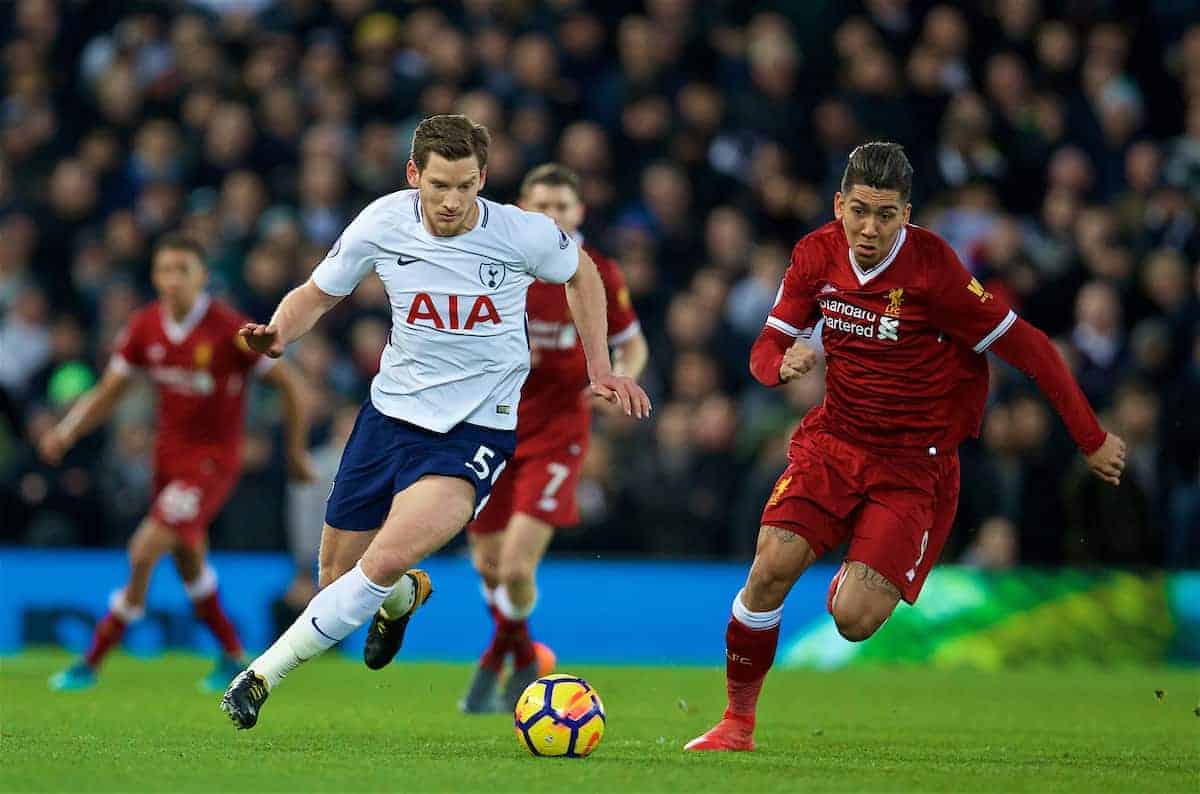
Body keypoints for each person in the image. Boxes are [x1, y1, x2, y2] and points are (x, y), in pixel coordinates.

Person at [685, 142, 1126, 752]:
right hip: (834, 443)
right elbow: (765, 346)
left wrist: (1091, 437)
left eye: (886, 214)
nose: (869, 228)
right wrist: (779, 364)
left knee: (854, 621)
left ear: (907, 214)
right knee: (770, 567)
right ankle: (737, 723)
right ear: (840, 204)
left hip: (913, 467)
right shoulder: (815, 254)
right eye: (859, 210)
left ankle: (857, 569)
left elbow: (1029, 347)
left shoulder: (934, 270)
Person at [220, 115, 650, 730]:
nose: (452, 202)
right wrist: (278, 333)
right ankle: (401, 598)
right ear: (413, 174)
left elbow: (581, 272)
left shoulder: (520, 233)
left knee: (380, 558)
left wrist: (599, 367)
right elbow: (317, 292)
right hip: (389, 418)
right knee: (337, 577)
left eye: (467, 186)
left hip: (477, 431)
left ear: (484, 179)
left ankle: (260, 676)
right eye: (440, 185)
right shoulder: (381, 221)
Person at [39, 234, 314, 693]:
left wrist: (294, 451)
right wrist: (66, 431)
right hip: (167, 462)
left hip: (212, 463)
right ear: (154, 276)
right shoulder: (146, 326)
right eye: (164, 270)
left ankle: (93, 659)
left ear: (202, 276)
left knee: (143, 550)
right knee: (189, 562)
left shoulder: (229, 329)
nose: (172, 280)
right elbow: (109, 391)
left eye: (182, 270)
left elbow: (292, 386)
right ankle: (233, 656)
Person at [461, 164, 649, 713]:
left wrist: (622, 375)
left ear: (579, 214)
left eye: (562, 207)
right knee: (488, 568)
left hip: (558, 432)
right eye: (541, 206)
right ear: (521, 207)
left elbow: (632, 343)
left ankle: (503, 667)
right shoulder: (493, 262)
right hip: (490, 425)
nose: (552, 217)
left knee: (517, 568)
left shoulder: (595, 271)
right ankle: (521, 659)